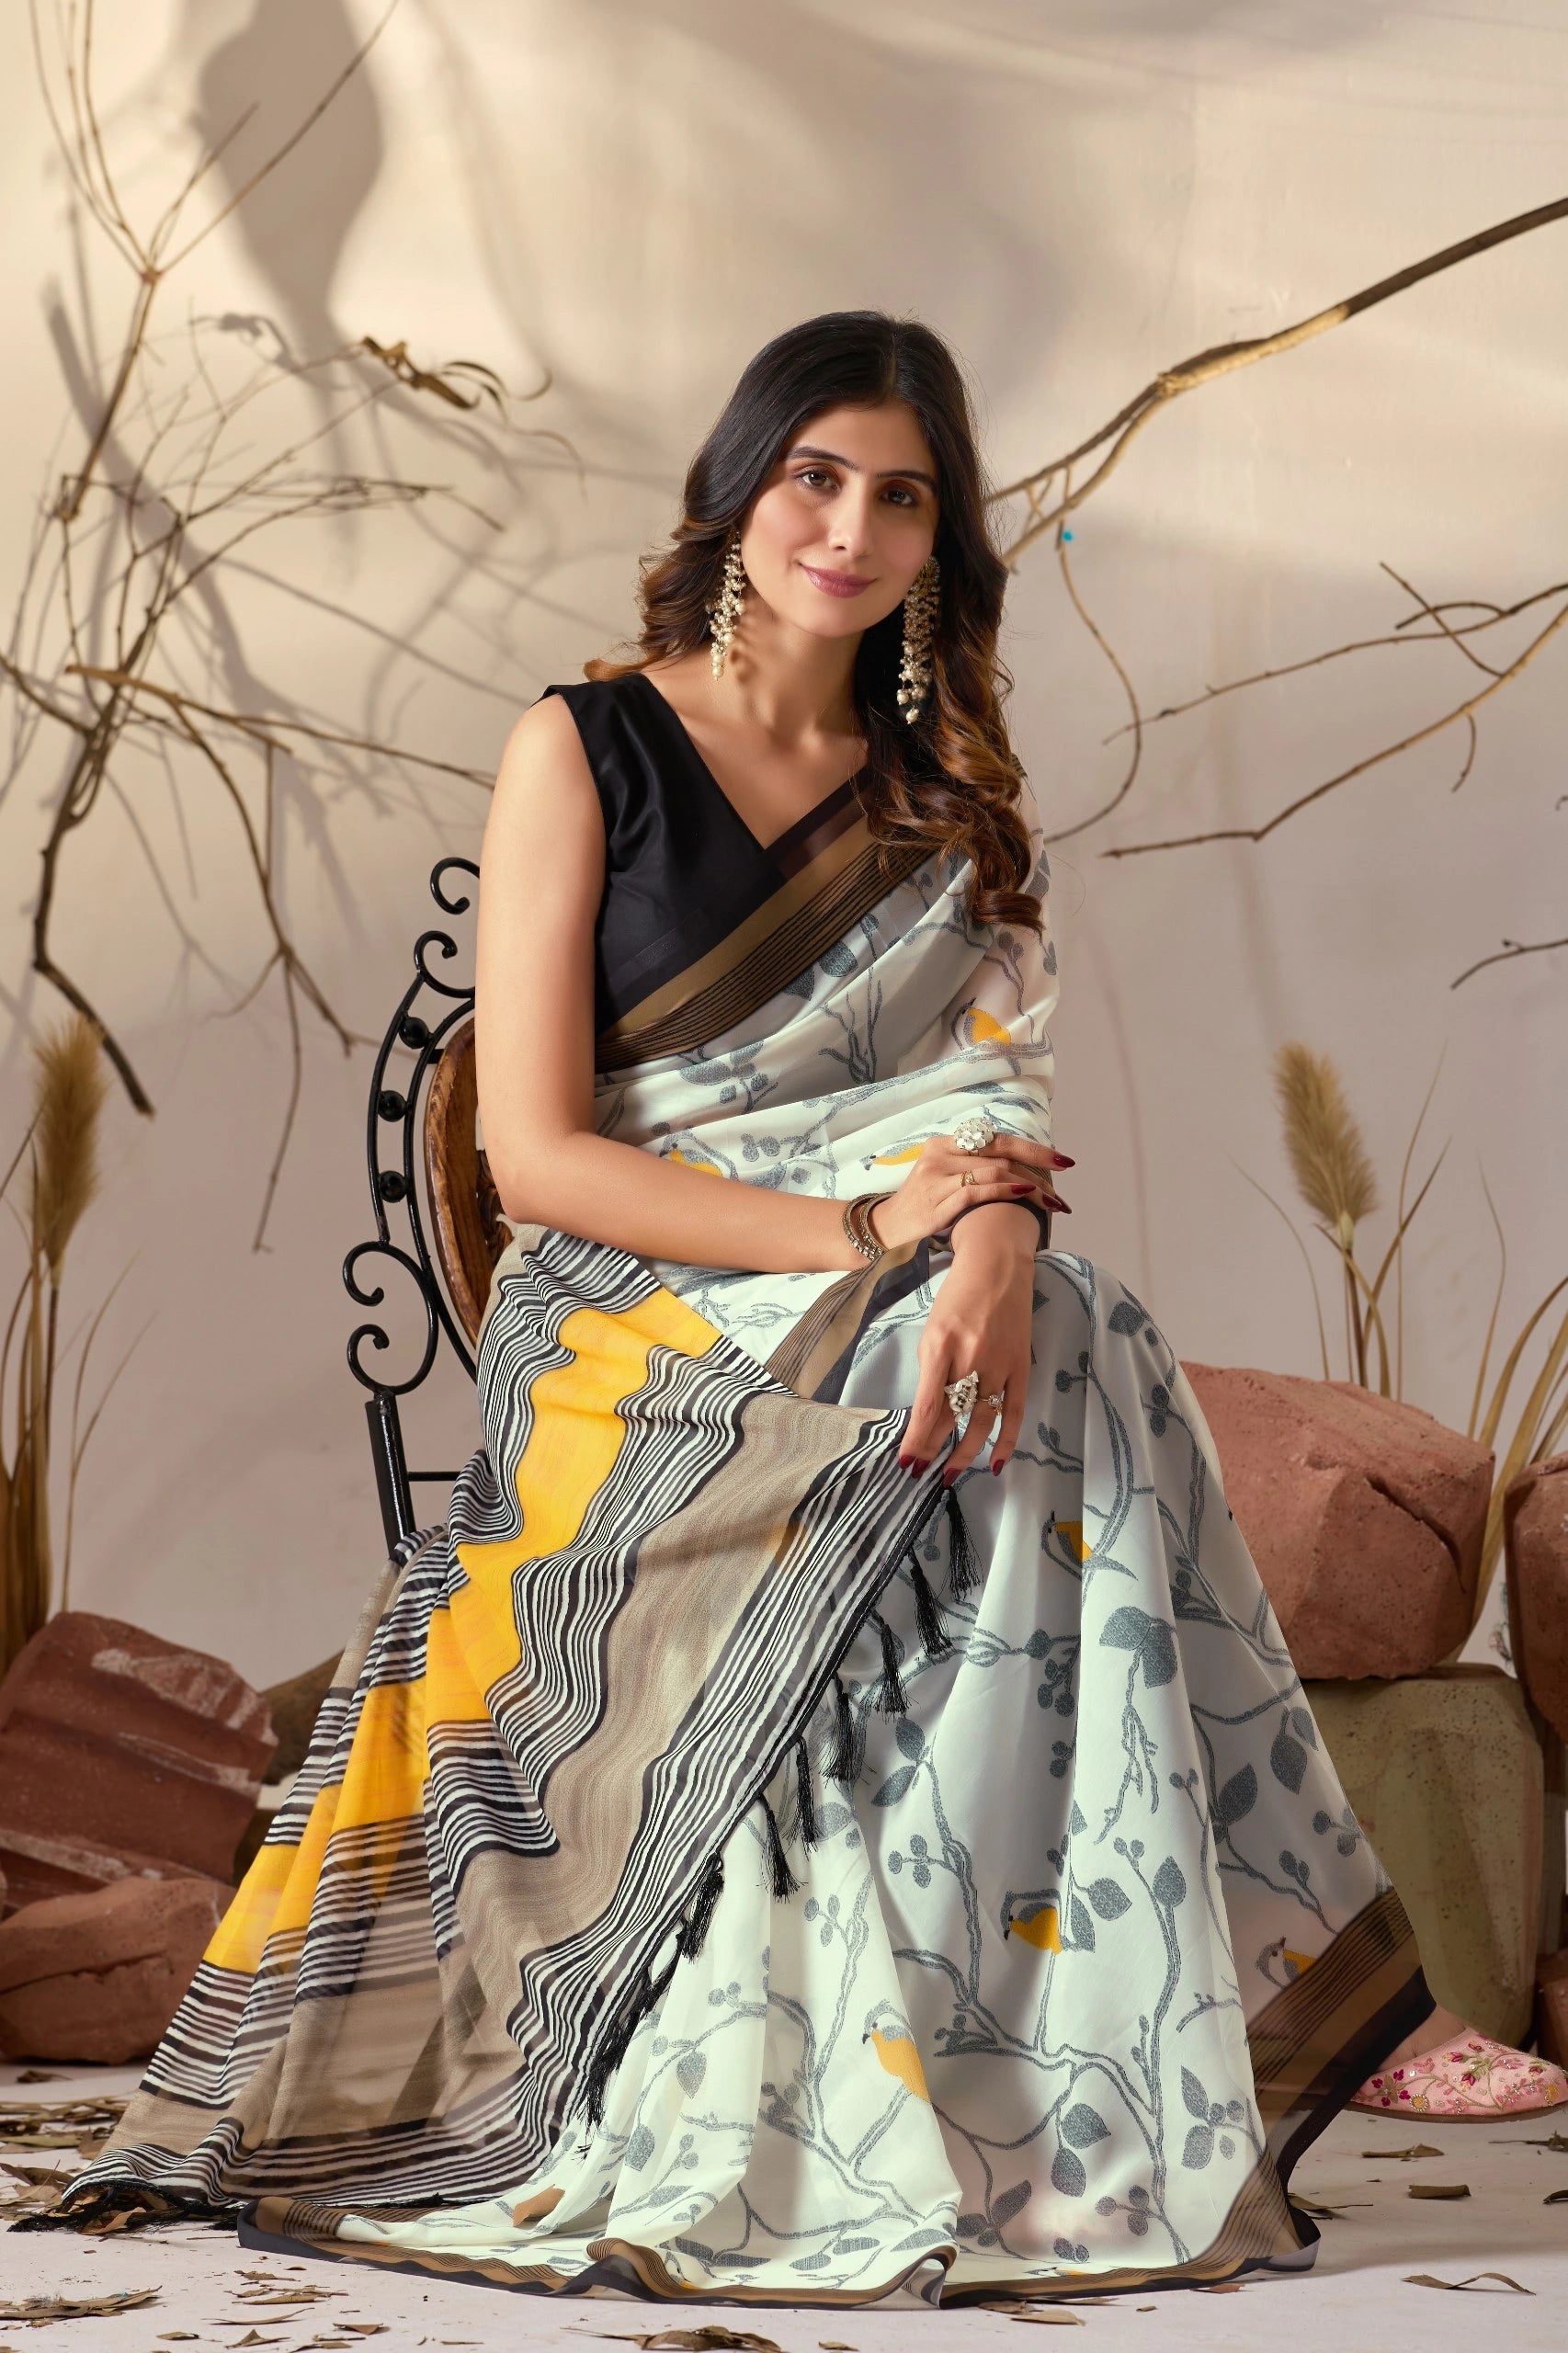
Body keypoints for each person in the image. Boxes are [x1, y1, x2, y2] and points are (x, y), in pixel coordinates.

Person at [35, 311, 1556, 2305]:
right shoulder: (583, 746)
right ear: (740, 495)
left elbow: (987, 1114)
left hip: (904, 1265)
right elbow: (536, 1157)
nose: (850, 523)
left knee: (1077, 1316)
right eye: (814, 476)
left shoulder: (947, 799)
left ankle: (1035, 2052)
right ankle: (1273, 1982)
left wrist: (988, 1240)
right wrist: (869, 1231)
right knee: (984, 1342)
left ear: (942, 537)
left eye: (900, 492)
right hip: (626, 1302)